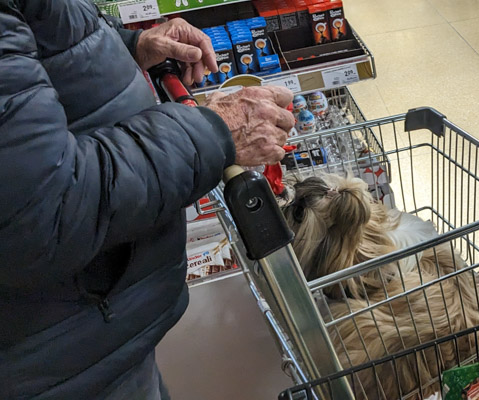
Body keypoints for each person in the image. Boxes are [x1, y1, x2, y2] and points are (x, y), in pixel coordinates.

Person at [0, 1, 295, 399]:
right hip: (58, 358)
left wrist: (127, 45)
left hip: (96, 330)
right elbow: (44, 210)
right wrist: (214, 130)